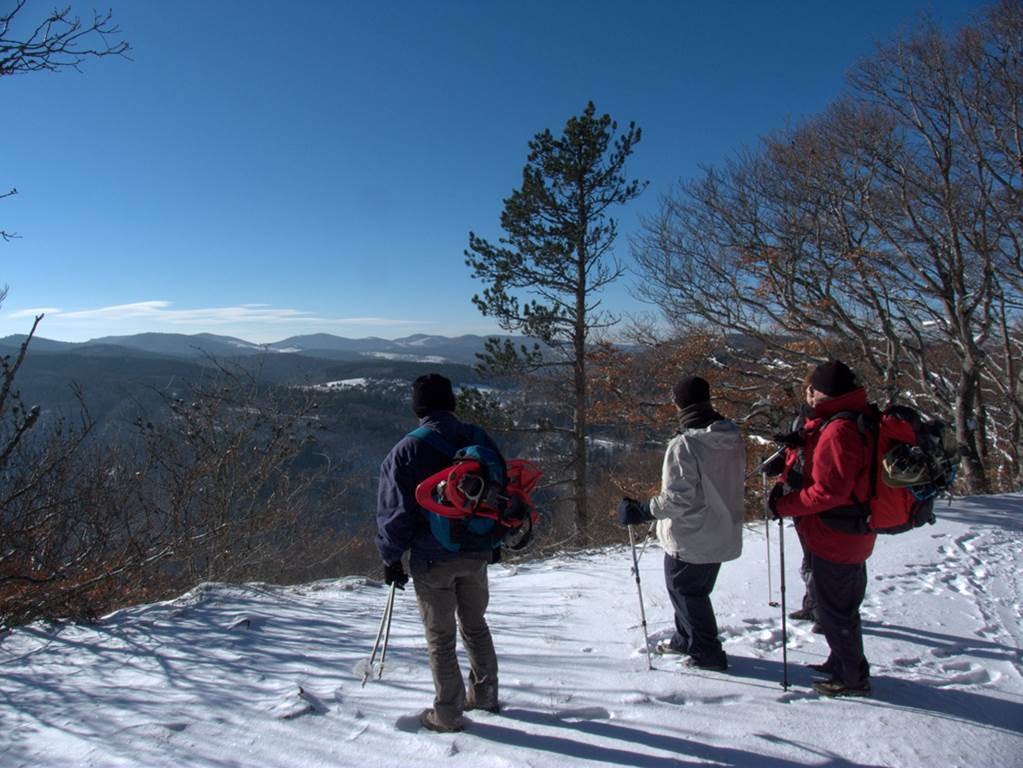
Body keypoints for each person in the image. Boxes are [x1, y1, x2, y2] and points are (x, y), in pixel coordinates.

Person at [376, 373, 502, 733]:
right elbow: (500, 493)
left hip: (433, 559)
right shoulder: (479, 439)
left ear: (419, 406)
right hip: (476, 550)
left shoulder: (407, 450)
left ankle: (447, 714)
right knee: (476, 626)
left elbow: (394, 513)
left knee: (441, 638)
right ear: (452, 402)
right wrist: (492, 540)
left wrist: (391, 558)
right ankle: (486, 695)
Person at [617, 375, 746, 671]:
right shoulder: (730, 437)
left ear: (678, 403)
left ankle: (706, 652)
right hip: (722, 529)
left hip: (691, 535)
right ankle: (685, 639)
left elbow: (677, 500)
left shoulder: (685, 445)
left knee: (688, 594)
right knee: (690, 591)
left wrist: (642, 510)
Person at [769, 359, 876, 697]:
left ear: (824, 391)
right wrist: (798, 443)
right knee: (838, 606)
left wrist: (783, 505)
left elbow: (830, 491)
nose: (808, 393)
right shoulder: (847, 420)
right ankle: (841, 662)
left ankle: (851, 677)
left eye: (812, 388)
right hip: (845, 532)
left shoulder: (839, 429)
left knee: (835, 610)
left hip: (837, 534)